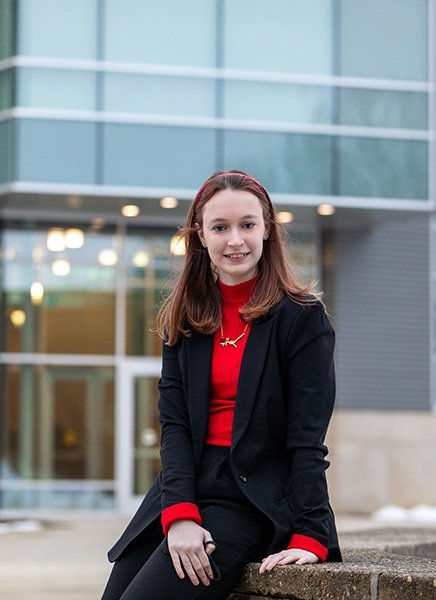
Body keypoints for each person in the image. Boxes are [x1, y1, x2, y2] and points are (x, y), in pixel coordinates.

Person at [101, 169, 342, 600]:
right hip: (182, 488)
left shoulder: (302, 320)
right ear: (200, 236)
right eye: (220, 227)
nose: (236, 241)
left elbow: (307, 441)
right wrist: (179, 513)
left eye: (247, 225)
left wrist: (312, 534)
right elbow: (174, 425)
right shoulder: (186, 317)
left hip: (248, 498)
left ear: (267, 228)